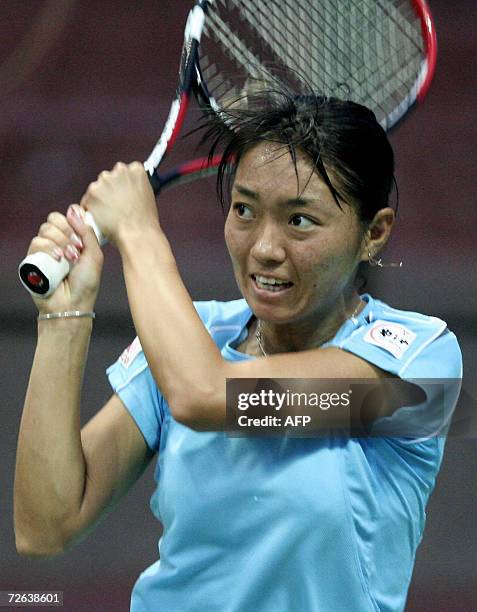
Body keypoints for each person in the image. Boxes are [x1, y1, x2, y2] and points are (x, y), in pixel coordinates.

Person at [14, 93, 462, 611]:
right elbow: (45, 527)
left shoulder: (419, 366)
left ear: (374, 233)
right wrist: (62, 317)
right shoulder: (192, 337)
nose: (265, 248)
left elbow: (206, 396)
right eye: (244, 210)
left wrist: (137, 230)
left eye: (300, 221)